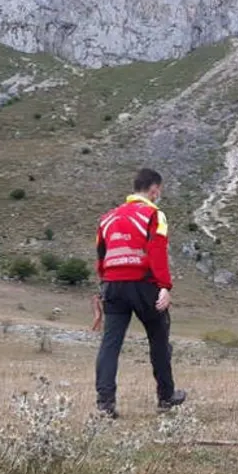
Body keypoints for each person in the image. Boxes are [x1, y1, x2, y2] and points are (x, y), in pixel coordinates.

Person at [92, 168, 186, 418]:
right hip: (143, 284)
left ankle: (105, 403)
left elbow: (101, 255)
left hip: (112, 284)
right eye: (159, 191)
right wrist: (164, 286)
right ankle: (166, 397)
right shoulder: (154, 214)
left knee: (110, 344)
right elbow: (157, 251)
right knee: (158, 339)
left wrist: (103, 286)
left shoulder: (107, 218)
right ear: (154, 190)